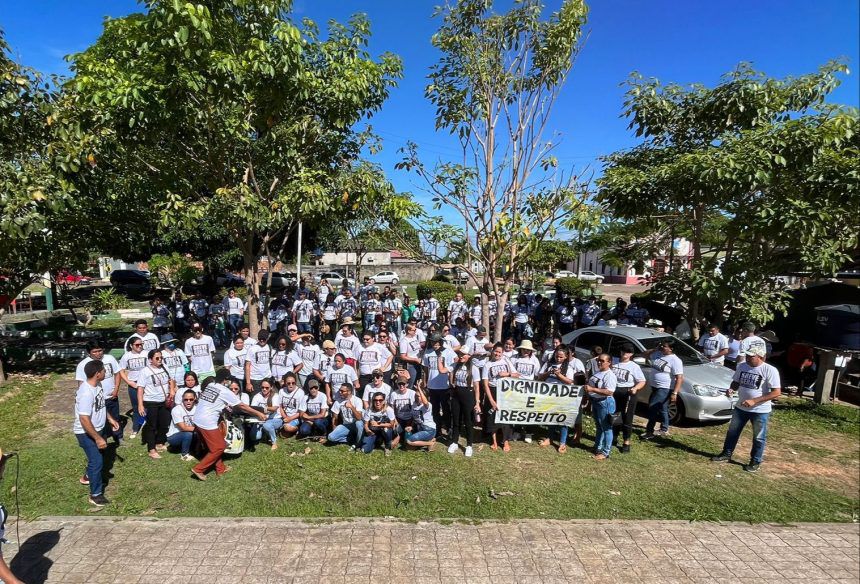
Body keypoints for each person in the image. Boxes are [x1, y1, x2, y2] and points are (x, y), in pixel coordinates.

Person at [711, 345, 782, 472]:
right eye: (747, 355)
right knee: (732, 432)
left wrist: (754, 401)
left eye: (751, 356)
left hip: (760, 410)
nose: (748, 358)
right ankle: (726, 453)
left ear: (760, 357)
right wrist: (732, 389)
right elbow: (736, 382)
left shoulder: (770, 370)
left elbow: (776, 393)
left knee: (758, 437)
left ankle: (755, 461)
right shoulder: (742, 366)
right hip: (741, 407)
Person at [191, 373, 266, 480]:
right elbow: (242, 406)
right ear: (225, 380)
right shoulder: (225, 391)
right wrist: (258, 413)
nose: (230, 384)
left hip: (197, 418)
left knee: (213, 447)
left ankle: (220, 469)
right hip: (207, 422)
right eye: (229, 381)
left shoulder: (211, 385)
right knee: (220, 447)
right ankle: (199, 469)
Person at [74, 360, 120, 507]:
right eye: (104, 370)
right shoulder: (86, 393)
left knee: (99, 457)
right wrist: (98, 438)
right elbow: (84, 419)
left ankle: (89, 476)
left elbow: (101, 406)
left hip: (98, 428)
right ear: (97, 374)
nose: (106, 372)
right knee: (97, 462)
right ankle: (95, 495)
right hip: (86, 432)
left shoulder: (98, 385)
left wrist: (110, 419)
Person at [537, 345, 585, 452]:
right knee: (551, 418)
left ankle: (562, 442)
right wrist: (548, 372)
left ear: (566, 357)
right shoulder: (548, 364)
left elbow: (570, 382)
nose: (558, 358)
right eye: (556, 356)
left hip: (563, 398)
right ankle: (550, 438)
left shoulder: (569, 368)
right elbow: (540, 377)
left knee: (563, 420)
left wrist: (559, 375)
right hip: (550, 396)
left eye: (561, 357)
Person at [75, 340, 122, 445]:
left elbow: (117, 373)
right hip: (96, 399)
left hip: (111, 396)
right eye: (94, 352)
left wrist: (116, 389)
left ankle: (118, 437)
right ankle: (102, 439)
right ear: (89, 353)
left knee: (115, 417)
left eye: (100, 351)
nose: (98, 354)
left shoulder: (110, 358)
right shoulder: (83, 365)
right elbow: (81, 384)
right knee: (99, 420)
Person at [136, 349, 176, 459]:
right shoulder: (145, 371)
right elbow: (140, 389)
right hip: (151, 402)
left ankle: (159, 442)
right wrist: (140, 405)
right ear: (150, 360)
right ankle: (151, 449)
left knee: (164, 423)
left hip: (164, 401)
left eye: (161, 357)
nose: (160, 360)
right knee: (151, 426)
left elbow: (171, 380)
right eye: (157, 358)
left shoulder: (164, 367)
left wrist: (172, 390)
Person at [642, 339, 684, 440]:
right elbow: (644, 355)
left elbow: (680, 378)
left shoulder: (675, 360)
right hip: (655, 386)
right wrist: (655, 349)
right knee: (663, 408)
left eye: (664, 346)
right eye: (662, 345)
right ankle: (664, 429)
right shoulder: (658, 354)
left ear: (671, 349)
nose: (662, 347)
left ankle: (649, 432)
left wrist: (675, 393)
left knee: (653, 407)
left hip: (664, 388)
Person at [482, 343, 519, 452]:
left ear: (502, 353)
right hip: (492, 391)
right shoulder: (487, 365)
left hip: (505, 392)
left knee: (505, 416)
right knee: (492, 417)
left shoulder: (506, 361)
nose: (497, 354)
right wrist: (491, 400)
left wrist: (507, 374)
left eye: (499, 352)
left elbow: (517, 375)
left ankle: (505, 441)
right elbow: (485, 384)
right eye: (496, 351)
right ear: (492, 351)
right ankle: (494, 441)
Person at [611, 344, 647, 453]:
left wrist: (635, 388)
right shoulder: (614, 361)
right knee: (616, 415)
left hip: (628, 393)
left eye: (627, 352)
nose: (624, 353)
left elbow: (642, 381)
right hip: (615, 391)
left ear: (631, 354)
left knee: (627, 418)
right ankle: (614, 437)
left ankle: (626, 442)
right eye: (623, 351)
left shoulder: (634, 366)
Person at [448, 345, 481, 457]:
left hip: (468, 395)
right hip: (456, 394)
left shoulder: (474, 368)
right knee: (456, 419)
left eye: (463, 354)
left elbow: (476, 387)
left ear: (469, 355)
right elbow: (446, 371)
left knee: (468, 421)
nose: (461, 356)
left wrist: (477, 402)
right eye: (460, 354)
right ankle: (454, 442)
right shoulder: (455, 365)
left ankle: (469, 445)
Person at [422, 335, 457, 438]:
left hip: (444, 386)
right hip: (432, 386)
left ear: (441, 342)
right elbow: (425, 368)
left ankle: (449, 429)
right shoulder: (428, 352)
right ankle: (437, 430)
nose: (435, 344)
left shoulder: (448, 351)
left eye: (437, 342)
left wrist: (451, 380)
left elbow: (454, 363)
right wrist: (425, 381)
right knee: (434, 410)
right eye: (433, 342)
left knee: (446, 409)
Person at [585, 353, 618, 461]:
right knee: (599, 426)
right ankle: (597, 447)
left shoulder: (609, 375)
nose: (599, 362)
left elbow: (609, 391)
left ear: (609, 362)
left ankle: (605, 452)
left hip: (605, 403)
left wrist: (592, 389)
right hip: (596, 402)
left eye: (602, 361)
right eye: (598, 360)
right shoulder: (599, 372)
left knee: (607, 428)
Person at [119, 338, 149, 439]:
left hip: (147, 383)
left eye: (141, 344)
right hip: (134, 384)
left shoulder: (146, 353)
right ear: (131, 345)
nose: (140, 346)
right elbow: (121, 371)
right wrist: (129, 382)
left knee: (149, 404)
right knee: (136, 407)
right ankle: (135, 428)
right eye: (137, 345)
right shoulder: (126, 356)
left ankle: (149, 425)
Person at [326, 383, 364, 450]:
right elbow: (334, 418)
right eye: (339, 390)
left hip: (356, 424)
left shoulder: (357, 400)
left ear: (349, 392)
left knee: (359, 423)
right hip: (346, 425)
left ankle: (358, 444)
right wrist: (335, 431)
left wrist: (351, 407)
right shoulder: (338, 401)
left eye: (342, 391)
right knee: (330, 437)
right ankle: (351, 439)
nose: (340, 392)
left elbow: (359, 418)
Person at [250, 379, 283, 450]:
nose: (264, 389)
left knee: (267, 425)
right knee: (254, 437)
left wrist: (263, 409)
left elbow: (274, 408)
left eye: (267, 388)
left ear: (271, 387)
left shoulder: (275, 396)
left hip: (275, 419)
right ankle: (265, 434)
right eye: (262, 387)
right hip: (260, 419)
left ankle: (274, 442)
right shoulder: (257, 396)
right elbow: (253, 409)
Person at [404, 381, 437, 450]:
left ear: (423, 397)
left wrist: (419, 388)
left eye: (418, 396)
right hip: (420, 428)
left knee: (409, 441)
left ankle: (430, 443)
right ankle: (430, 440)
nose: (416, 397)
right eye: (415, 395)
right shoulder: (414, 404)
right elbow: (415, 418)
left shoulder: (427, 405)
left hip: (429, 430)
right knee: (408, 446)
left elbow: (425, 402)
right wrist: (411, 426)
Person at [166, 389, 197, 460]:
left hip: (191, 432)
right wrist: (199, 430)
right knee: (188, 434)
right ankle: (184, 455)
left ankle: (197, 450)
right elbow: (183, 428)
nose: (188, 401)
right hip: (174, 436)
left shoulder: (197, 409)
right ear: (182, 399)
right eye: (186, 399)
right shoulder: (176, 410)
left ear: (195, 399)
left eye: (191, 399)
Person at [245, 329, 273, 395]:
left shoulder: (270, 347)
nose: (261, 340)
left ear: (267, 338)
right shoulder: (252, 349)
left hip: (267, 377)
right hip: (255, 379)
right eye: (260, 338)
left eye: (264, 339)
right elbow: (247, 366)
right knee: (255, 398)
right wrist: (248, 383)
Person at [277, 372, 304, 440]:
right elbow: (280, 406)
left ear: (295, 382)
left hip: (296, 417)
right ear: (285, 383)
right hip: (284, 416)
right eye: (288, 383)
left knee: (287, 428)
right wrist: (285, 417)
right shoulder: (281, 391)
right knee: (282, 433)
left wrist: (290, 418)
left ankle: (298, 429)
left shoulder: (300, 392)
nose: (291, 385)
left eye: (293, 383)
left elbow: (301, 412)